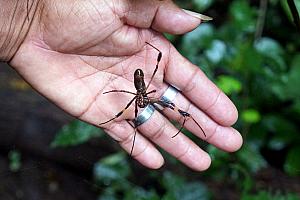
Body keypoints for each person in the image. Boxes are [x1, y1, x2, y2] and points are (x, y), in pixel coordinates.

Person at [0, 0, 242, 171]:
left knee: (179, 110)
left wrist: (22, 22)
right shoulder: (140, 97)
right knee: (140, 115)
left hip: (139, 85)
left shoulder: (144, 96)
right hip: (137, 84)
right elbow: (130, 100)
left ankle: (188, 123)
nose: (143, 104)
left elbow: (142, 96)